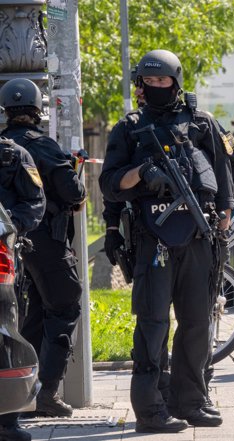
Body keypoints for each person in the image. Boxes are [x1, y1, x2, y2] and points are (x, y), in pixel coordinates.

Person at [99, 49, 234, 433]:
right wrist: (141, 173)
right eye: (149, 82)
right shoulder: (128, 127)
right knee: (153, 325)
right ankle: (151, 408)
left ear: (176, 82)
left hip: (197, 238)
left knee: (196, 324)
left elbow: (224, 176)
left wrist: (224, 217)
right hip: (151, 241)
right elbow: (109, 185)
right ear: (140, 85)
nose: (157, 88)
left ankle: (191, 400)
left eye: (163, 81)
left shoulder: (202, 123)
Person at [0, 78, 86, 418]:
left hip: (14, 246)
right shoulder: (45, 146)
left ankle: (26, 391)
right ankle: (47, 391)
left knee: (32, 315)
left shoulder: (4, 145)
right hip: (46, 240)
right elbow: (74, 194)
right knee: (64, 306)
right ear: (38, 110)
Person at [0, 135, 45, 441]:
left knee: (7, 338)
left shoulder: (12, 154)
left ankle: (7, 420)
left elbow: (35, 202)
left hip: (3, 254)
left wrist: (9, 226)